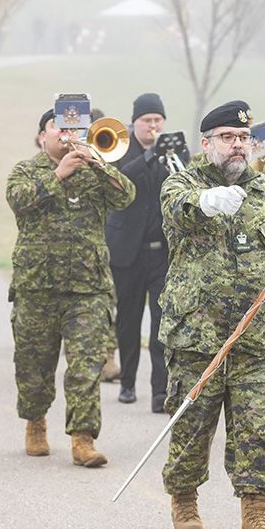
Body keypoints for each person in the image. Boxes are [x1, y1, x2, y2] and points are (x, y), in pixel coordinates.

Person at [158, 99, 265, 529]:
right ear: (207, 144)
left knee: (258, 428)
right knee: (192, 428)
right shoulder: (182, 184)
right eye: (227, 137)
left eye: (243, 137)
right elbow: (177, 208)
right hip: (196, 334)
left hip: (257, 334)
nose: (238, 144)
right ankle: (184, 500)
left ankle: (256, 520)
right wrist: (206, 202)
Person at [6, 108, 135, 466]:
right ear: (42, 136)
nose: (66, 133)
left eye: (74, 127)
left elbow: (126, 196)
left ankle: (83, 438)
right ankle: (35, 421)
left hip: (88, 287)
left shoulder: (94, 169)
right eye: (58, 126)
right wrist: (58, 175)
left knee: (86, 366)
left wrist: (97, 163)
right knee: (34, 367)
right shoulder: (26, 171)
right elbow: (18, 200)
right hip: (37, 286)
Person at [105, 93, 175, 413]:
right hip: (126, 251)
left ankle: (160, 391)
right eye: (147, 120)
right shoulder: (118, 148)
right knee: (128, 321)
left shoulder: (171, 152)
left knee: (161, 323)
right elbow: (119, 179)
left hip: (161, 253)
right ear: (135, 123)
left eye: (158, 120)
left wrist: (169, 160)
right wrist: (149, 157)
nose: (153, 125)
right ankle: (128, 382)